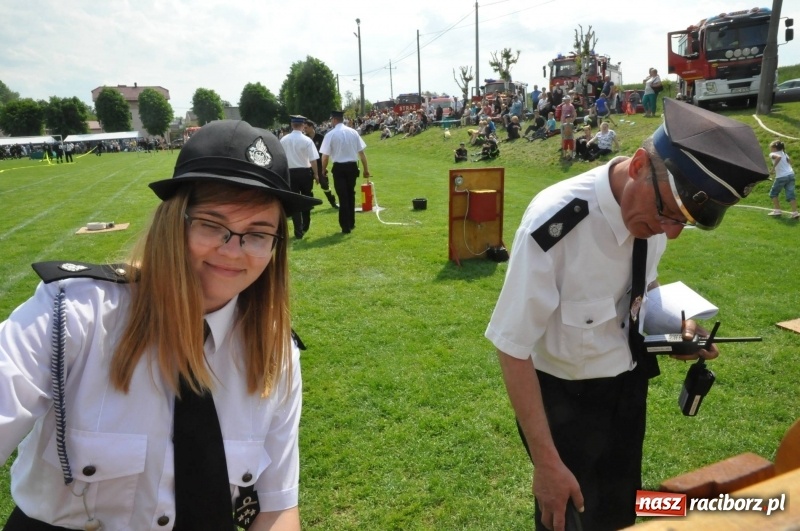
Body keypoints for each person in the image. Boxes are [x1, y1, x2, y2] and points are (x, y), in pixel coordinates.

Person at [0, 119, 323, 530]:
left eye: (258, 234)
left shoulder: (276, 354)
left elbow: (277, 507)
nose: (233, 251)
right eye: (211, 224)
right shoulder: (73, 315)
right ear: (173, 221)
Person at [485, 98, 768, 531]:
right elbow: (512, 346)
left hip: (627, 392)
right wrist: (545, 463)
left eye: (684, 223)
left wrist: (676, 329)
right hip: (565, 406)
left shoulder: (652, 213)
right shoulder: (557, 224)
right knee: (568, 518)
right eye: (668, 215)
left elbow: (643, 291)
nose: (670, 231)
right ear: (638, 165)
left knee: (621, 513)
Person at [319, 110, 371, 234]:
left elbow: (325, 156)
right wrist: (366, 169)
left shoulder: (330, 134)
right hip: (352, 166)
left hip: (339, 168)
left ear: (334, 119)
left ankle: (345, 225)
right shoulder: (353, 132)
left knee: (343, 196)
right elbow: (361, 153)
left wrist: (323, 169)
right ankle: (351, 222)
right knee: (350, 194)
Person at [281, 115, 320, 239]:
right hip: (304, 172)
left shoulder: (283, 140)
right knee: (306, 198)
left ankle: (298, 230)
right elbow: (313, 160)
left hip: (290, 173)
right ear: (303, 125)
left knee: (294, 201)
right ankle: (306, 224)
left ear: (292, 125)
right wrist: (316, 174)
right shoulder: (307, 140)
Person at [303, 118, 339, 210]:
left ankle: (333, 202)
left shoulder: (321, 137)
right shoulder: (304, 138)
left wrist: (324, 167)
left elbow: (325, 153)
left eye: (306, 127)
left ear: (311, 127)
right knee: (307, 186)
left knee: (324, 184)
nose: (304, 129)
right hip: (307, 165)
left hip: (319, 165)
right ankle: (308, 205)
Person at [767, 139, 799, 218]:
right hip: (791, 175)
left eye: (771, 147)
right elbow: (789, 162)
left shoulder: (772, 154)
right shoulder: (784, 153)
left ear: (774, 148)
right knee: (790, 194)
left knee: (773, 193)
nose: (770, 149)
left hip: (782, 176)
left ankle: (777, 211)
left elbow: (778, 158)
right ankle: (795, 213)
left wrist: (773, 169)